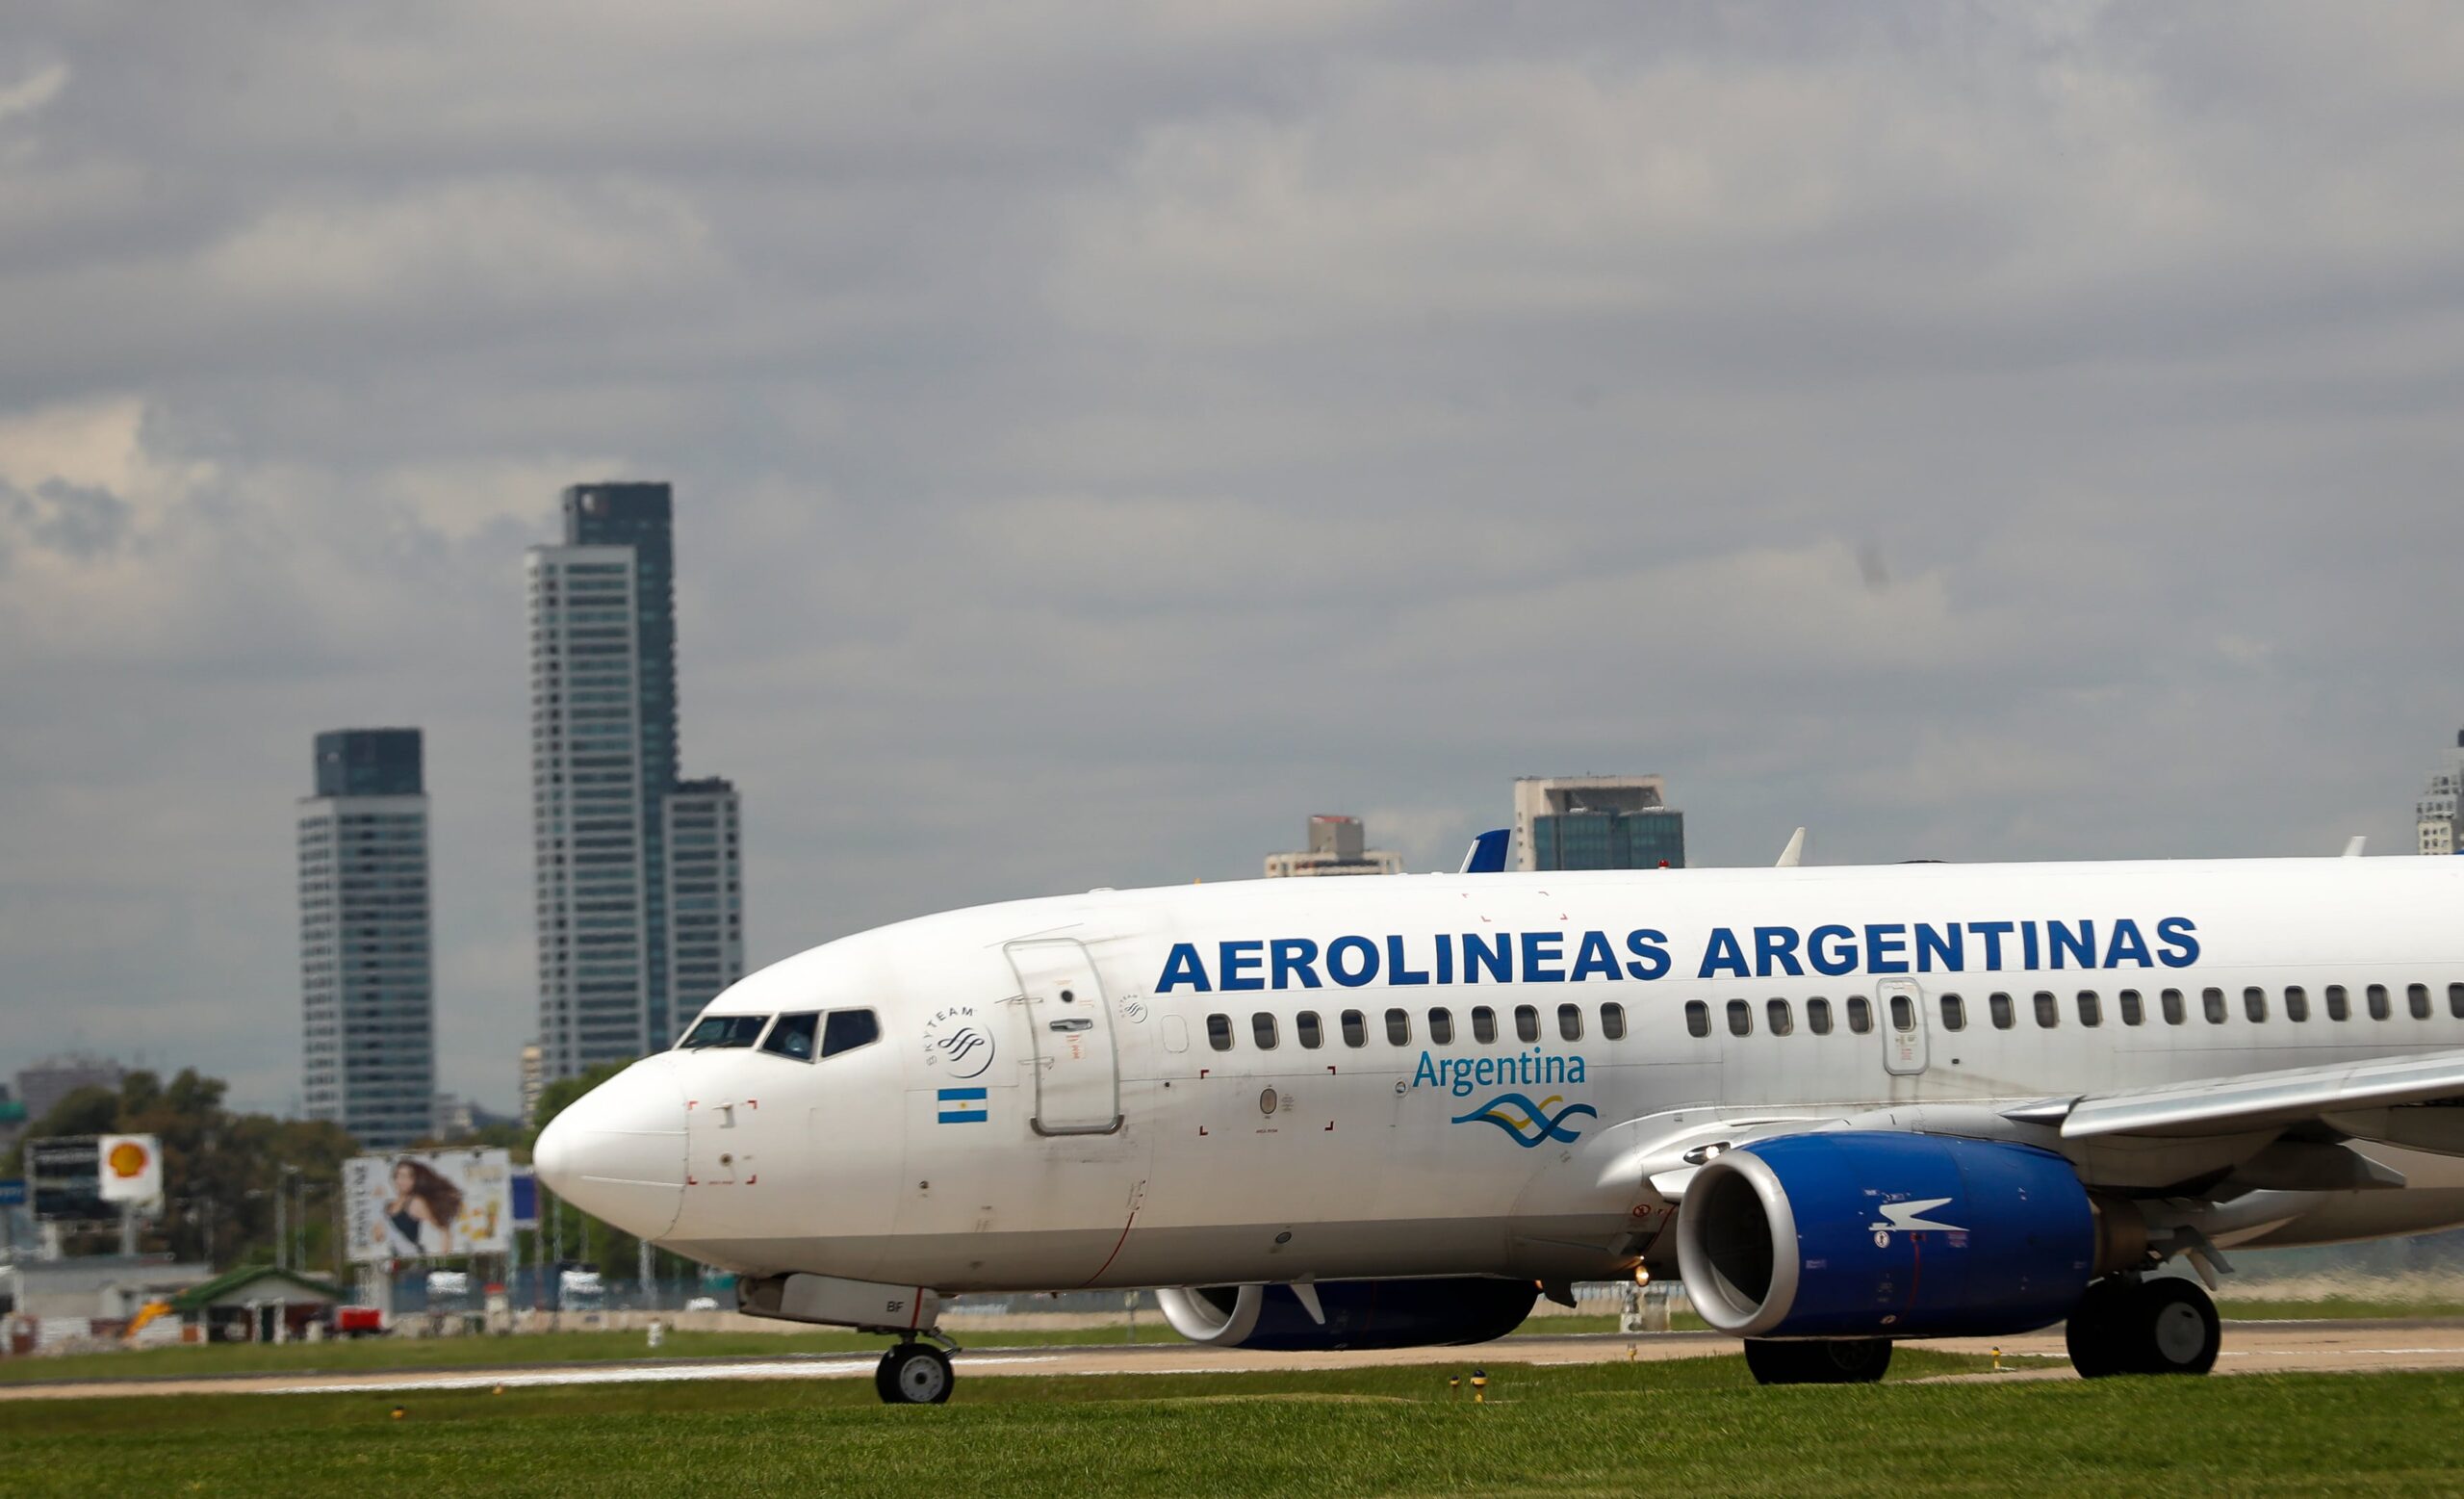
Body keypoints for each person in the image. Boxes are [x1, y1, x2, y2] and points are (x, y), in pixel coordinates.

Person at [382, 1158, 465, 1255]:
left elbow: (443, 1228)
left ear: (414, 1181)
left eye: (408, 1177)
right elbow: (378, 1238)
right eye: (399, 1175)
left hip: (412, 1262)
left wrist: (443, 1257)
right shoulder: (387, 1205)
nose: (402, 1180)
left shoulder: (415, 1203)